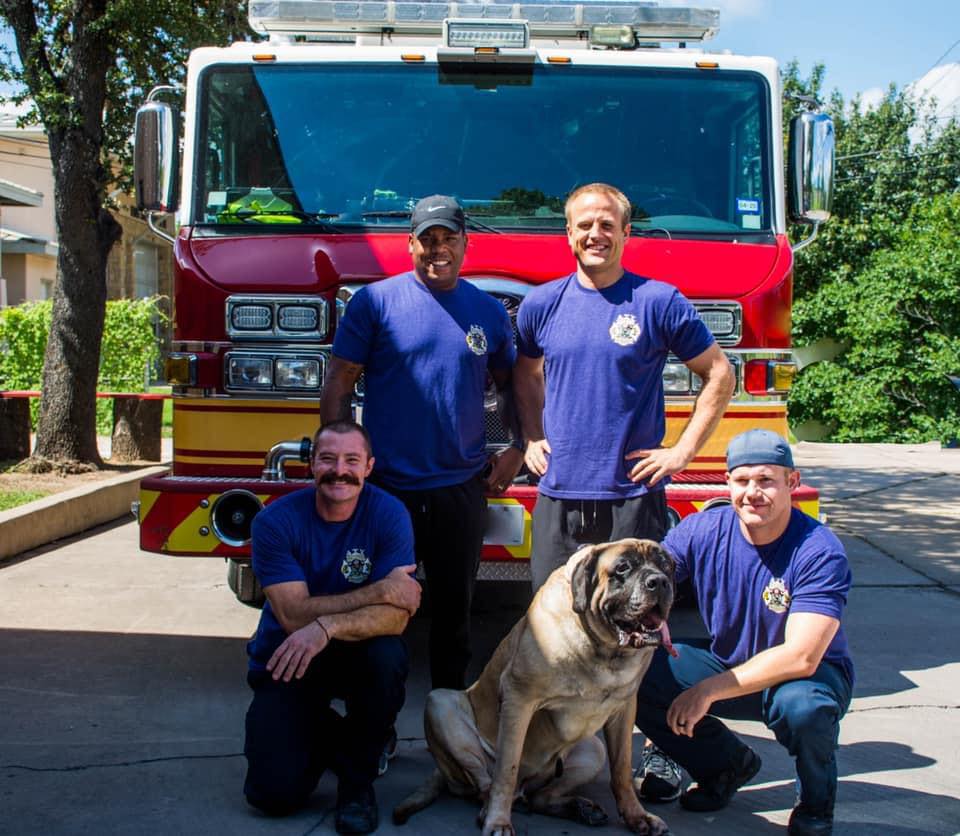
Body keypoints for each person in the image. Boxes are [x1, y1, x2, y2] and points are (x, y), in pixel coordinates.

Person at [320, 195, 523, 690]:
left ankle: (449, 723)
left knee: (455, 618)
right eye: (427, 239)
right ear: (410, 244)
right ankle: (375, 732)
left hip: (461, 489)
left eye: (448, 238)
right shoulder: (375, 303)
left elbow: (511, 384)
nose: (438, 249)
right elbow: (340, 382)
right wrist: (339, 462)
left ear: (464, 243)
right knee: (380, 610)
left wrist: (517, 448)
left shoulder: (488, 313)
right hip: (387, 491)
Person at [514, 182, 736, 592]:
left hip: (632, 494)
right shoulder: (541, 305)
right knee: (552, 621)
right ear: (568, 233)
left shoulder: (658, 301)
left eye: (606, 224)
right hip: (558, 491)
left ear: (626, 233)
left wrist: (682, 452)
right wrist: (531, 436)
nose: (594, 234)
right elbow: (526, 373)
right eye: (584, 225)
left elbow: (720, 373)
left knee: (631, 621)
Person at [634, 429, 854, 836]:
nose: (752, 492)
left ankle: (815, 807)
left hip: (805, 677)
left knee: (805, 710)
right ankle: (725, 766)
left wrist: (706, 690)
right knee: (640, 672)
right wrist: (647, 612)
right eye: (741, 480)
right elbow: (651, 576)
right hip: (730, 660)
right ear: (728, 483)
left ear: (792, 482)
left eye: (766, 480)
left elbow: (802, 656)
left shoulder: (818, 550)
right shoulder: (703, 530)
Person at [243, 420, 421, 835]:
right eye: (327, 459)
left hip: (356, 652)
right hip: (290, 657)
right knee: (272, 795)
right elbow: (291, 615)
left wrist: (326, 626)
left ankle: (357, 786)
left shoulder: (389, 514)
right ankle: (353, 741)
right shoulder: (274, 522)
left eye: (351, 460)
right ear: (310, 464)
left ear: (369, 467)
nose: (339, 470)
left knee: (386, 657)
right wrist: (377, 590)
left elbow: (397, 615)